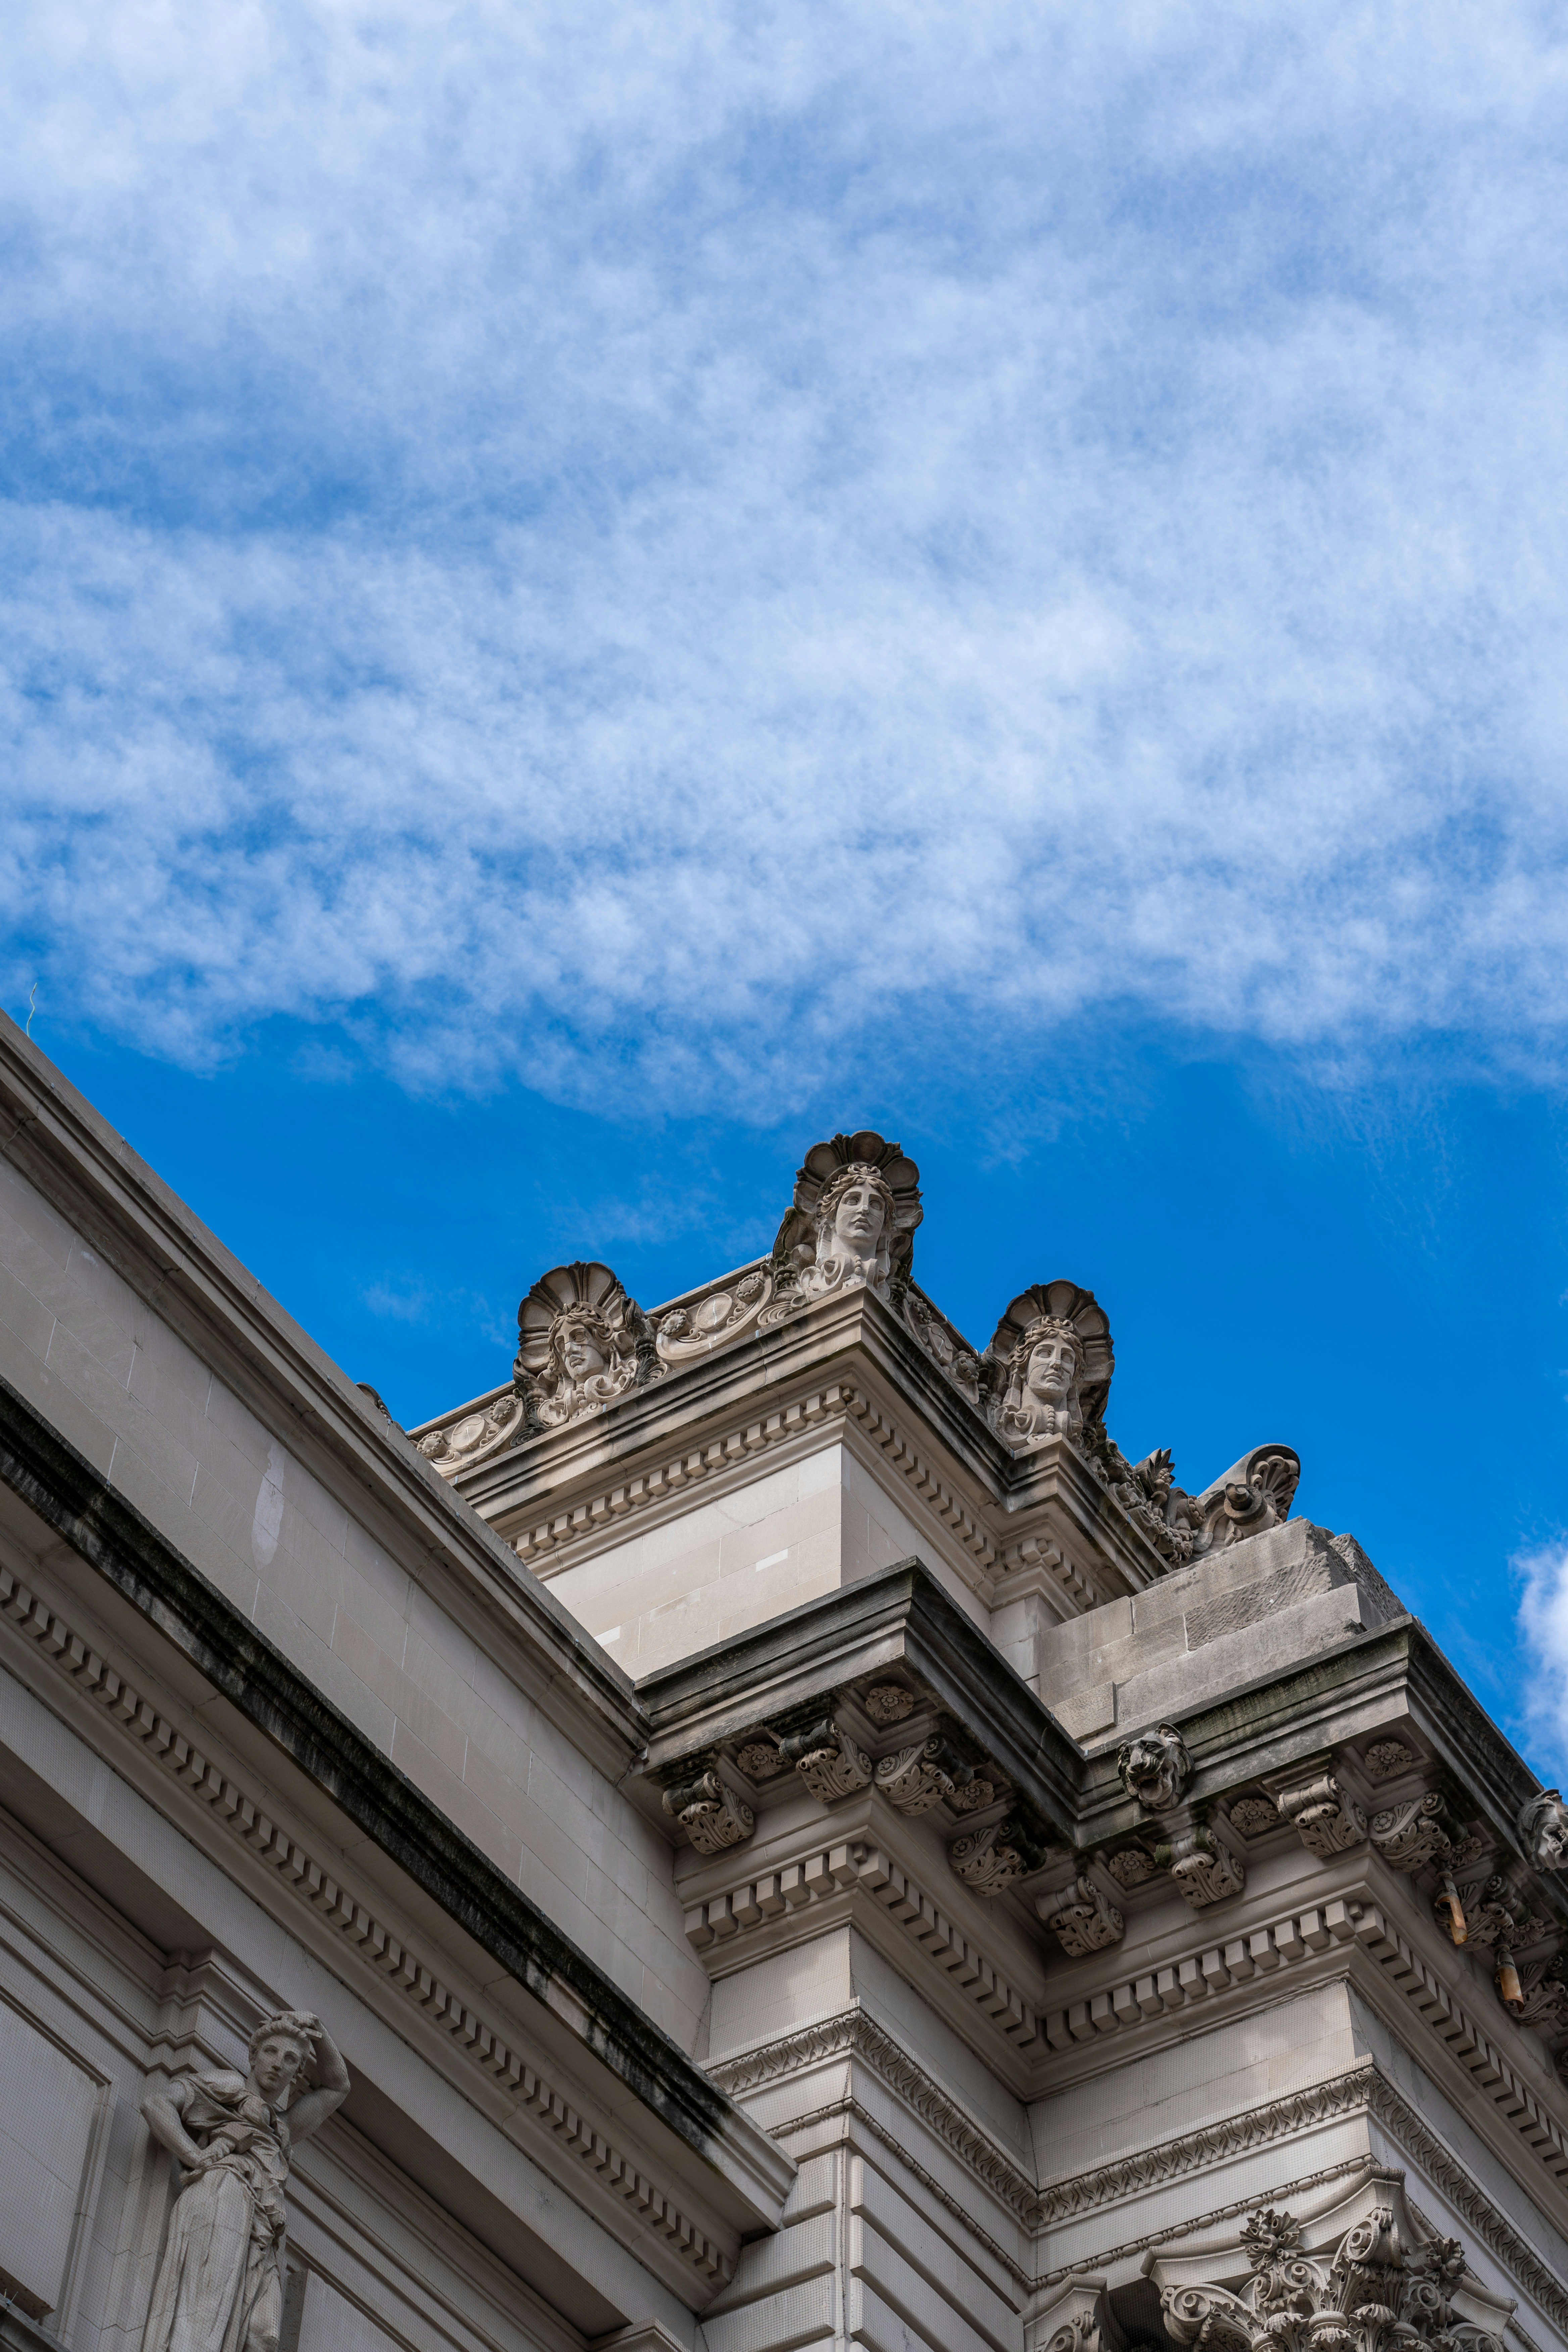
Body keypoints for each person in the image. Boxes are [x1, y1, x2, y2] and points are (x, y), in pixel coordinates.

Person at [140, 2012, 350, 2352]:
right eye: (271, 2052)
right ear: (253, 2056)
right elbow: (156, 2104)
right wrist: (197, 2157)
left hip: (264, 2227)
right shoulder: (229, 2086)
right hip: (225, 2195)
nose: (278, 2064)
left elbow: (338, 2087)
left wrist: (321, 2035)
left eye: (291, 2059)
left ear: (296, 2074)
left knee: (263, 2336)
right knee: (205, 2314)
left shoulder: (281, 2127)